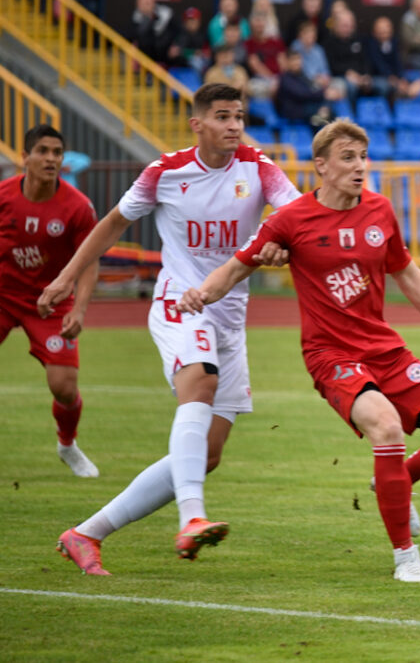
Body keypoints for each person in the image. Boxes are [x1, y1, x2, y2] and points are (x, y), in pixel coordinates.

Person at [178, 120, 420, 583]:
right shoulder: (290, 220)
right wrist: (199, 295)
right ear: (321, 166)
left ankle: (398, 480)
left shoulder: (380, 210)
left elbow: (407, 273)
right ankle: (406, 557)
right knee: (386, 427)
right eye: (348, 158)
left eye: (363, 157)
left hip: (385, 350)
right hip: (332, 356)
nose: (359, 166)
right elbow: (233, 269)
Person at [50, 85, 300, 575]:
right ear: (197, 124)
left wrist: (283, 245)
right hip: (178, 302)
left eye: (239, 116)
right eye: (223, 116)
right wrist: (66, 276)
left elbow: (295, 217)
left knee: (207, 454)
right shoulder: (165, 172)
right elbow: (112, 224)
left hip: (230, 315)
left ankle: (85, 534)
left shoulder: (258, 167)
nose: (234, 125)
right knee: (200, 382)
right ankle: (191, 519)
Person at [0, 125, 100, 477]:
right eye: (42, 151)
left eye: (57, 152)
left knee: (64, 387)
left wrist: (79, 309)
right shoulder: (3, 196)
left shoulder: (77, 207)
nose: (51, 159)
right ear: (24, 158)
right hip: (3, 295)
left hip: (50, 303)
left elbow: (89, 261)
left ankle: (67, 445)